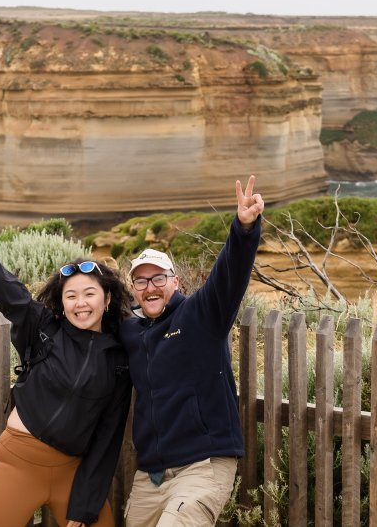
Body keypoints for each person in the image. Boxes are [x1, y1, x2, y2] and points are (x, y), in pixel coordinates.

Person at [0, 190, 132, 527]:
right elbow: (4, 286)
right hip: (19, 461)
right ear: (62, 301)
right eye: (71, 295)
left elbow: (108, 437)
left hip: (72, 469)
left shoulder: (118, 358)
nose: (80, 303)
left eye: (89, 294)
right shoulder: (43, 327)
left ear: (107, 298)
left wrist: (85, 507)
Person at [121, 176, 264, 527]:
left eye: (159, 278)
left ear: (176, 282)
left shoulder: (201, 315)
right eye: (141, 280)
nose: (150, 287)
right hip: (151, 476)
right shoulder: (131, 331)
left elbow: (228, 277)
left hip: (203, 466)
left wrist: (244, 230)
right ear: (133, 289)